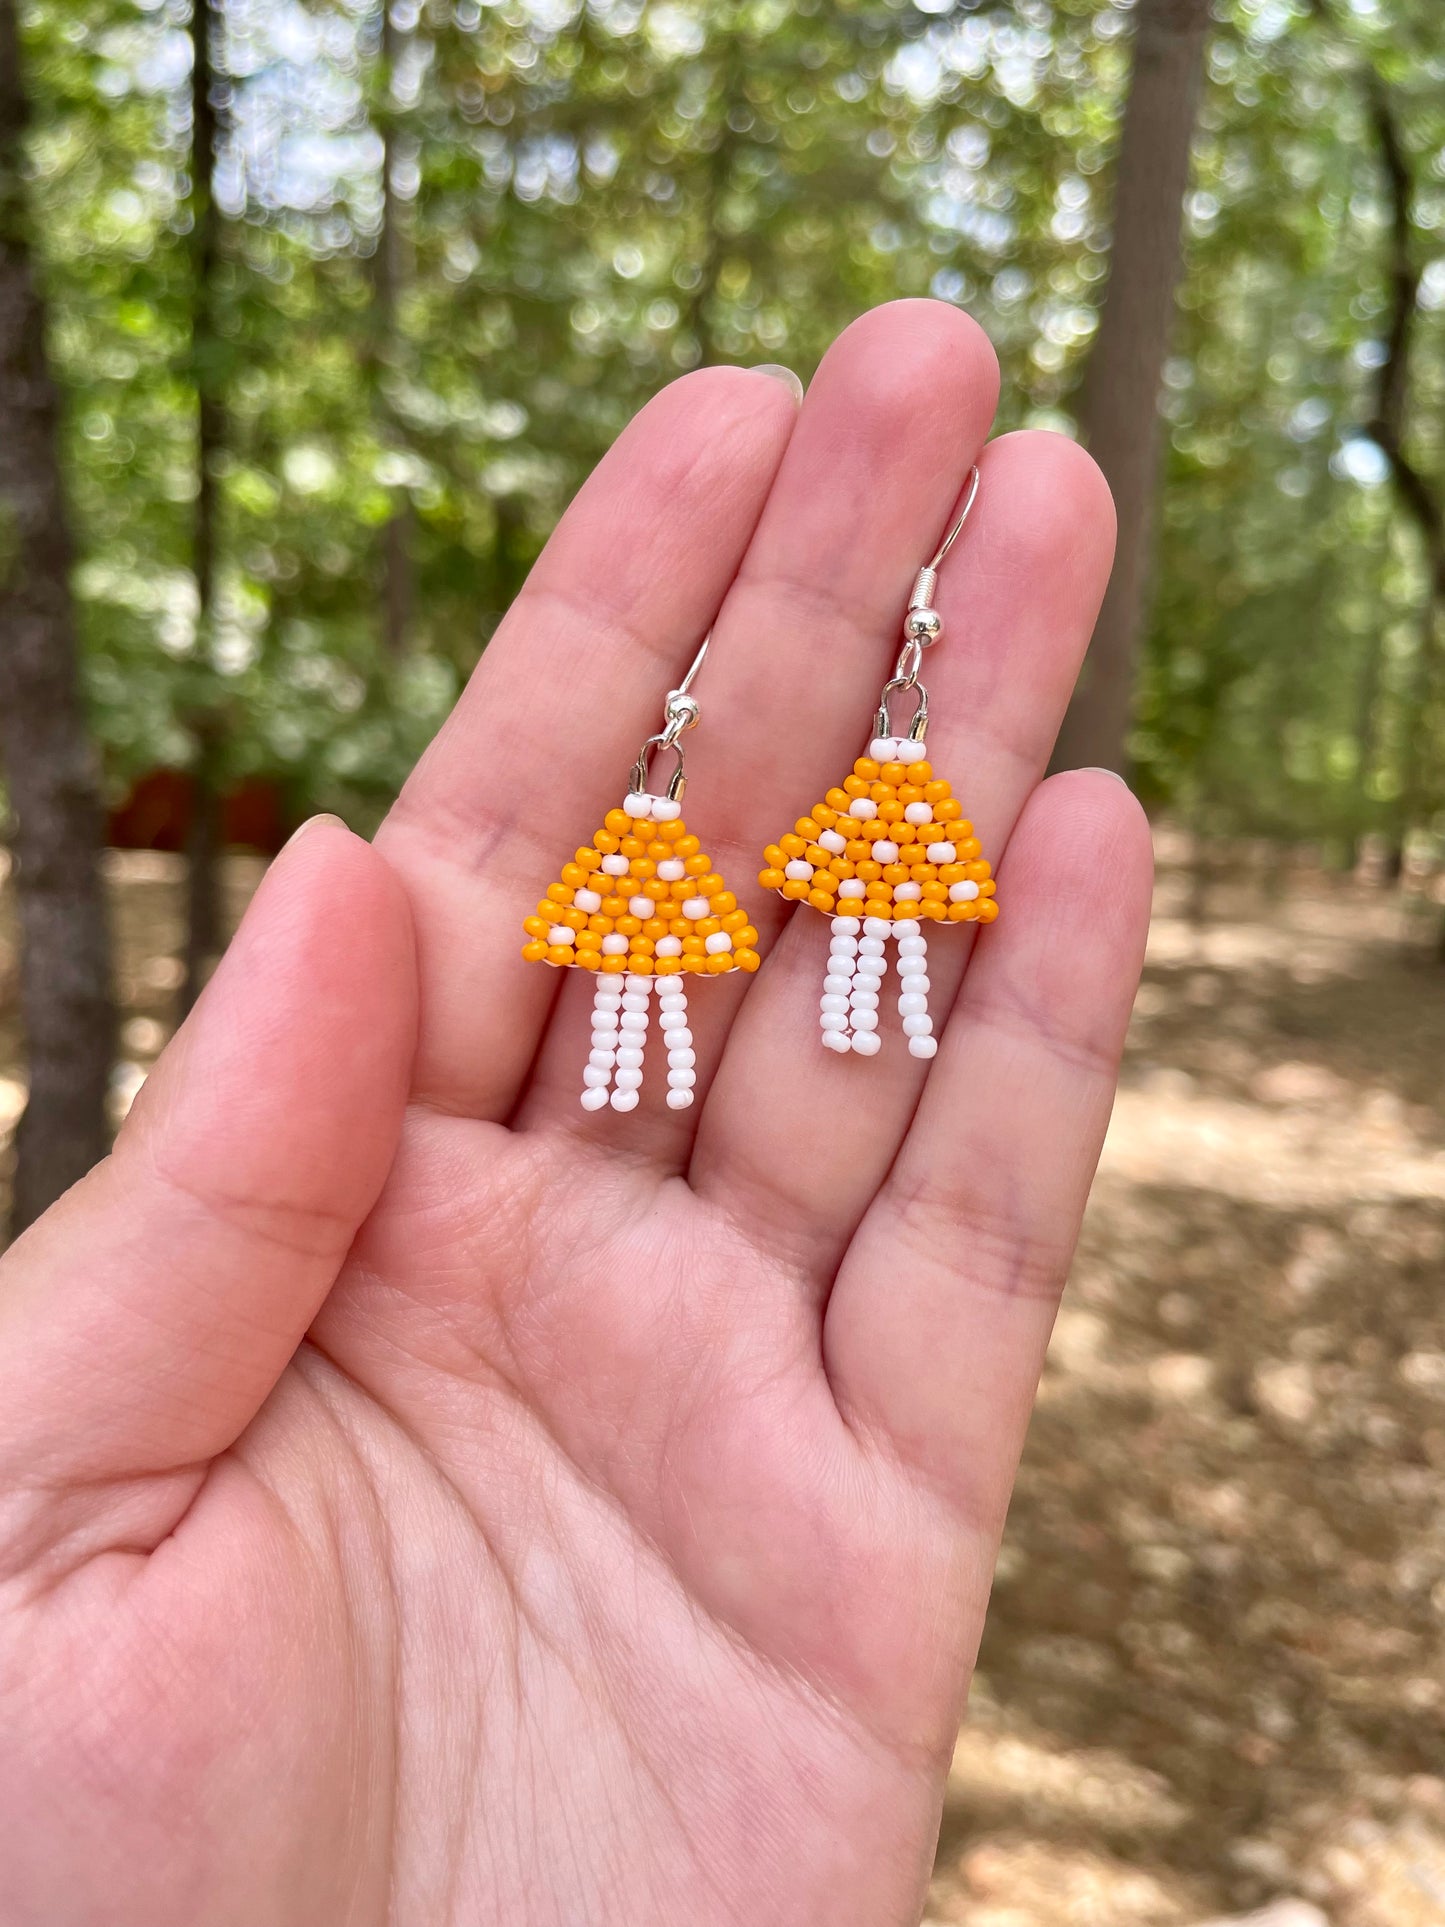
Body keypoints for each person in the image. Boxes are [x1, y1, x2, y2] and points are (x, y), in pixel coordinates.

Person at [0, 301, 1151, 1926]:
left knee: (849, 978)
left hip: (833, 881)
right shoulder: (649, 855)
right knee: (664, 1010)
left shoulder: (833, 816)